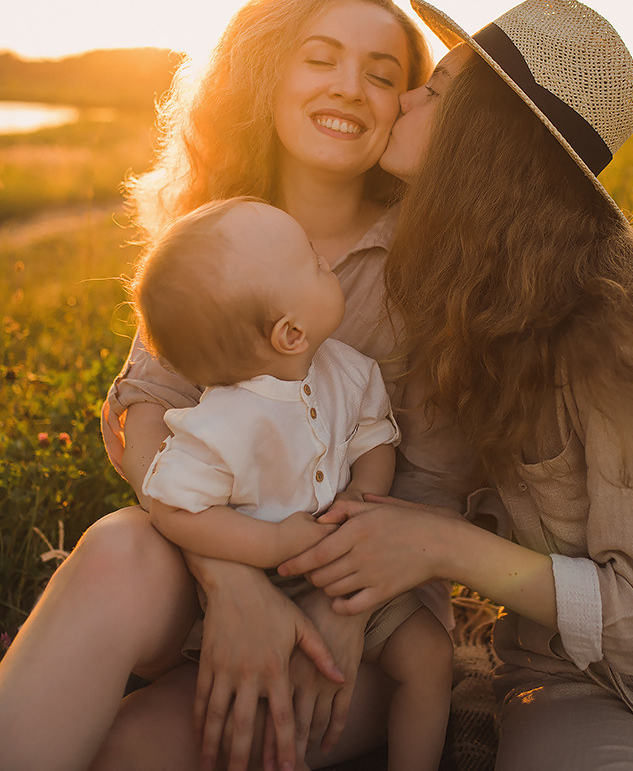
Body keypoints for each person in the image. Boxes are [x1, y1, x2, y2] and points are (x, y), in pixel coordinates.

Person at [0, 0, 442, 771]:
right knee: (115, 549)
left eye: (383, 74)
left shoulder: (426, 259)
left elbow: (434, 481)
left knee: (134, 749)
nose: (351, 87)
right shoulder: (217, 229)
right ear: (266, 72)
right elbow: (146, 410)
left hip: (365, 611)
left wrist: (343, 605)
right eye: (320, 58)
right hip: (213, 561)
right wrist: (231, 579)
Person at [279, 0, 633, 770]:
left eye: (437, 89)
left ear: (485, 137)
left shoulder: (615, 327)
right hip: (565, 684)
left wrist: (441, 546)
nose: (405, 98)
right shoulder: (463, 295)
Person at [133, 196, 452, 771]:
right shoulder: (221, 425)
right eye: (314, 263)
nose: (324, 260)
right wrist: (274, 545)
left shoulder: (349, 370)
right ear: (289, 333)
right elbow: (173, 507)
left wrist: (361, 496)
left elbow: (374, 440)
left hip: (349, 570)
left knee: (430, 655)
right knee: (268, 706)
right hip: (266, 590)